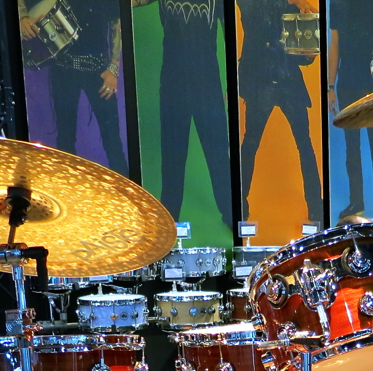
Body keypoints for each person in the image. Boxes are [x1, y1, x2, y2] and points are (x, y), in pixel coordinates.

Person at [134, 0, 234, 228]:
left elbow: (231, 35)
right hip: (173, 83)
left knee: (218, 154)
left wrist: (233, 78)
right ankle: (169, 221)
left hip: (207, 83)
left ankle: (230, 215)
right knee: (172, 156)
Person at [237, 0, 323, 223]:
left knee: (303, 144)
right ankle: (240, 202)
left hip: (284, 79)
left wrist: (308, 55)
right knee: (251, 144)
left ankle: (316, 206)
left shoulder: (293, 4)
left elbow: (300, 53)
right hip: (262, 80)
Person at [23, 0, 128, 174]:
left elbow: (117, 22)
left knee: (112, 141)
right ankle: (66, 186)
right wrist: (22, 18)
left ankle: (124, 189)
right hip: (63, 69)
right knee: (65, 140)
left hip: (98, 68)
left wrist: (113, 68)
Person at [328, 0, 373, 220]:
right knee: (352, 148)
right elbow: (335, 45)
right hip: (347, 83)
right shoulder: (337, 3)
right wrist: (330, 86)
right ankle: (356, 202)